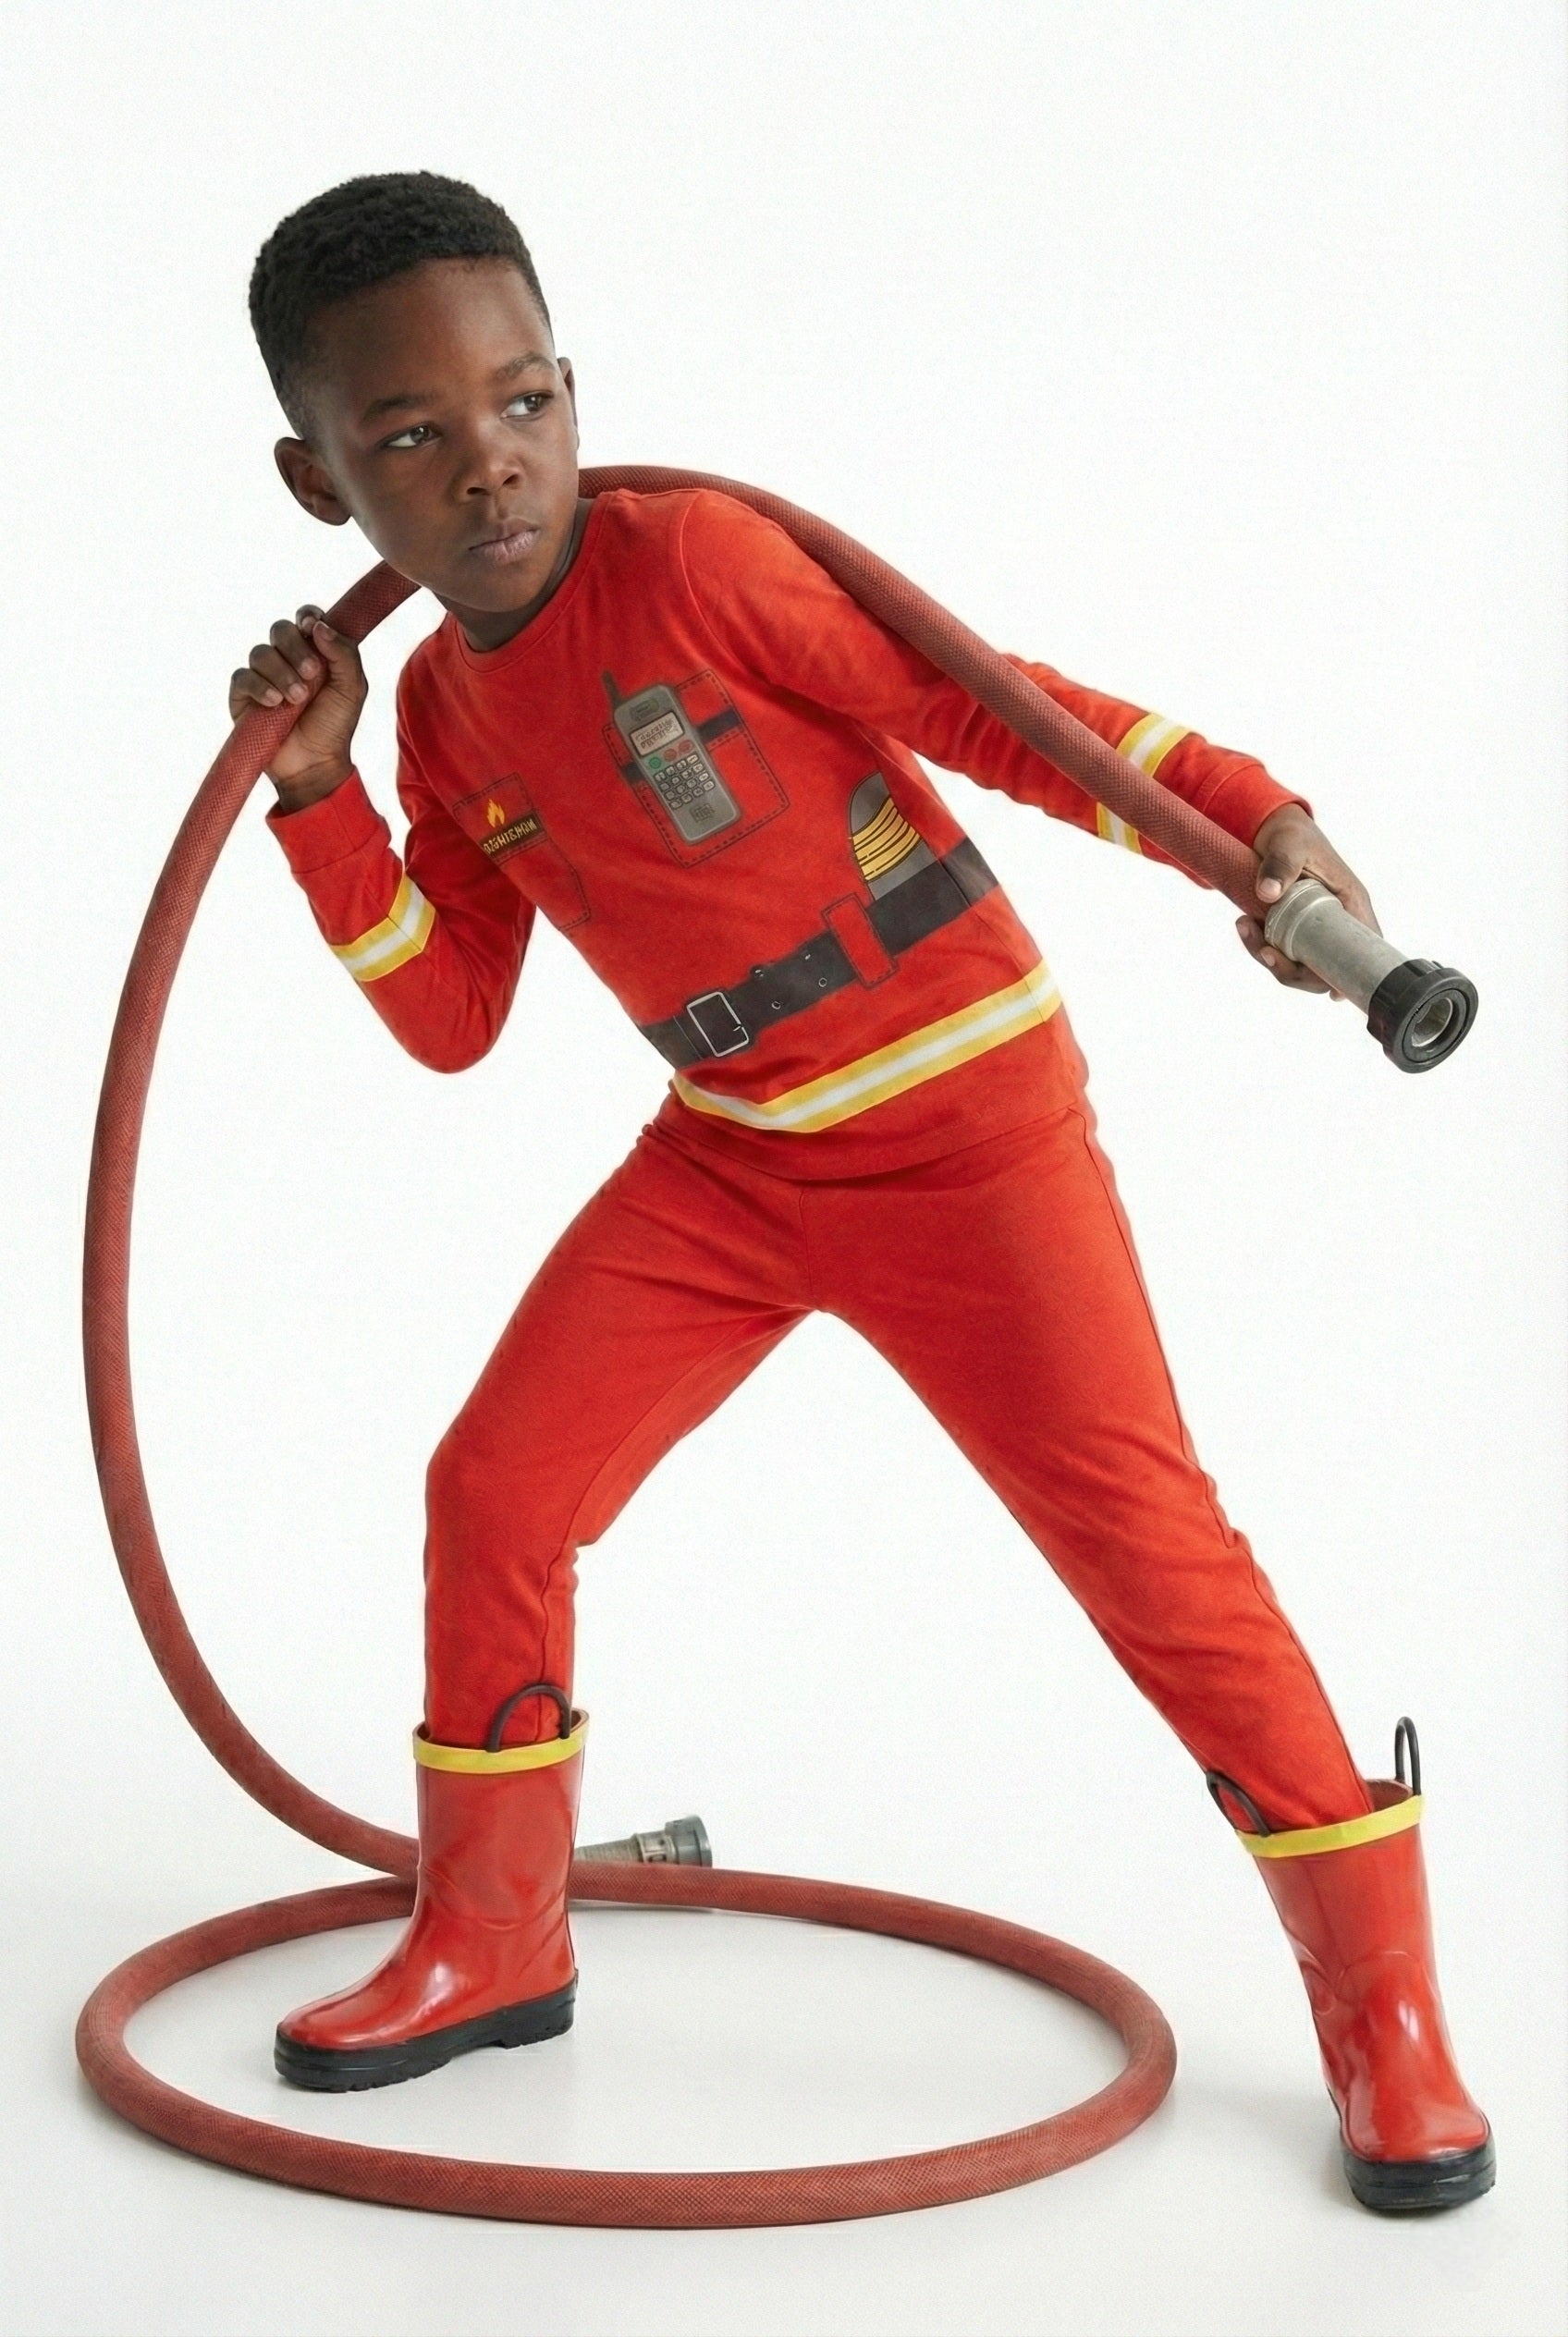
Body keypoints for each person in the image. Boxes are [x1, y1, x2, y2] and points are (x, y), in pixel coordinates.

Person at [237, 170, 1491, 2210]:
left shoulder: (703, 562)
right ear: (320, 484)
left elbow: (990, 707)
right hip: (733, 1154)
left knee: (1151, 1555)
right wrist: (319, 803)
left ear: (573, 390)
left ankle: (1389, 2016)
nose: (490, 466)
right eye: (409, 436)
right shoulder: (447, 717)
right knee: (496, 1488)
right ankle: (494, 1937)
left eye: (526, 401)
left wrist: (1251, 825)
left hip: (966, 1127)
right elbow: (450, 1015)